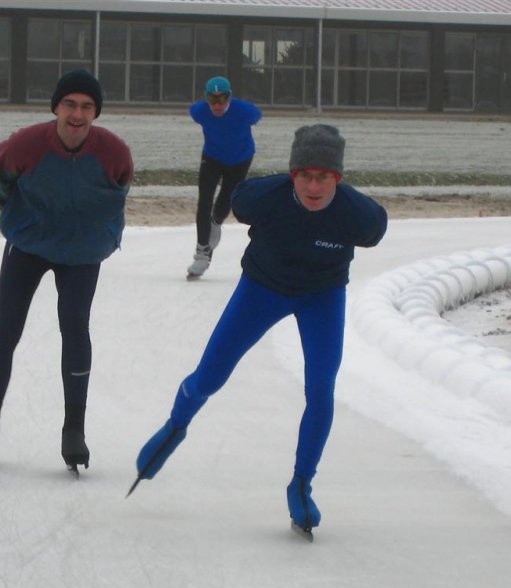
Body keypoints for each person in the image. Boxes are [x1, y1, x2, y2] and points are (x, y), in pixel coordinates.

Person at [129, 125, 387, 537]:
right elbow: (238, 200)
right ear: (292, 174)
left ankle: (302, 483)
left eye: (324, 177)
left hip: (321, 298)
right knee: (209, 377)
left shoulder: (362, 217)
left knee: (320, 389)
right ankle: (175, 427)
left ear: (338, 178)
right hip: (261, 290)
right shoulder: (259, 198)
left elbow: (375, 229)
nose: (314, 186)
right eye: (305, 175)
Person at [0, 70, 134, 473]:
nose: (77, 114)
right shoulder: (26, 144)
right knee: (6, 328)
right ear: (56, 107)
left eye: (87, 106)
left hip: (83, 249)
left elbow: (118, 191)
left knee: (75, 328)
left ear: (96, 113)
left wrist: (98, 232)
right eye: (70, 104)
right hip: (31, 244)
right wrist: (21, 220)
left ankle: (74, 430)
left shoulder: (113, 151)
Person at [186, 76, 261, 279]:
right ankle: (202, 254)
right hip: (211, 158)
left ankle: (216, 223)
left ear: (230, 97)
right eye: (212, 99)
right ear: (206, 98)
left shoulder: (245, 112)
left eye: (222, 99)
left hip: (240, 159)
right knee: (204, 201)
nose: (217, 105)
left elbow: (257, 115)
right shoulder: (198, 112)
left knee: (225, 201)